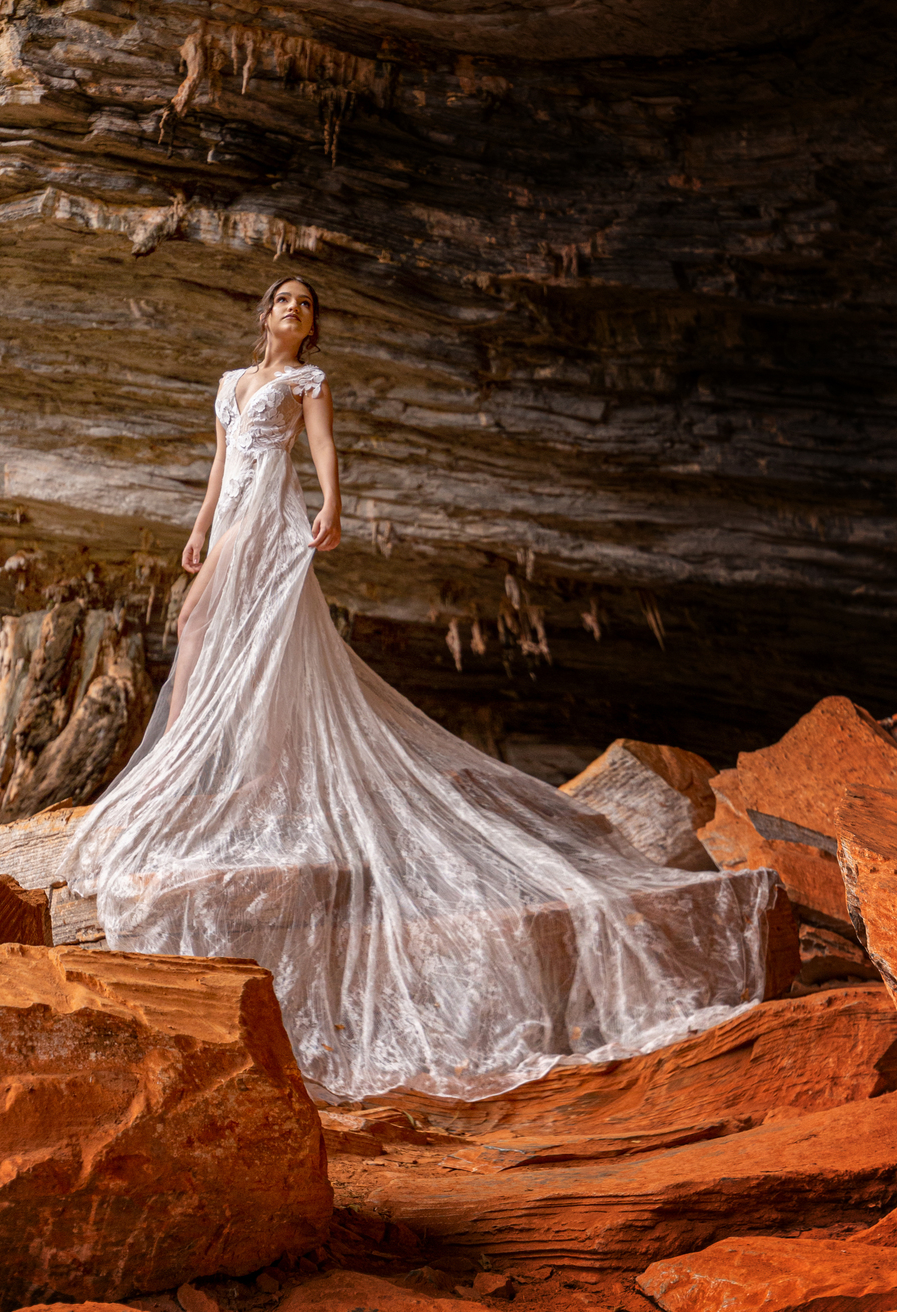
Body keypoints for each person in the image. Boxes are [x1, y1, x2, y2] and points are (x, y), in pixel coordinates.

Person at [65, 276, 775, 1102]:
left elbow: (322, 449)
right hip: (227, 520)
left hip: (273, 521)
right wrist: (196, 529)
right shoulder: (232, 384)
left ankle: (198, 774)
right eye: (283, 301)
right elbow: (222, 461)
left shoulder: (307, 384)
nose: (294, 312)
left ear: (311, 328)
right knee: (204, 635)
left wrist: (332, 504)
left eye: (306, 306)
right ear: (263, 315)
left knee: (234, 642)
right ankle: (185, 773)